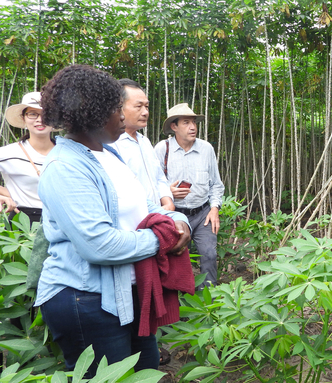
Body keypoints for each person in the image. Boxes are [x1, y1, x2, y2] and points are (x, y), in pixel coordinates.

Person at [34, 64, 192, 377]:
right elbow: (100, 245)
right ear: (91, 114)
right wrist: (164, 239)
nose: (121, 116)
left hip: (127, 294)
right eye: (114, 109)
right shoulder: (65, 167)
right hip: (85, 300)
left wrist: (176, 220)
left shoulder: (110, 155)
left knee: (145, 371)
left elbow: (146, 206)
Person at [154, 103, 224, 289]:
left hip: (202, 214)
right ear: (174, 127)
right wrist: (168, 193)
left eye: (194, 122)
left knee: (208, 254)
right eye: (186, 123)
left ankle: (208, 303)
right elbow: (151, 185)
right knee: (175, 258)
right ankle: (179, 306)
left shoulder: (206, 149)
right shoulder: (162, 149)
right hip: (174, 214)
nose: (193, 127)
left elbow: (216, 184)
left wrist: (215, 208)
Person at [111, 79, 174, 211]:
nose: (145, 112)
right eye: (138, 106)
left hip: (158, 215)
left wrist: (167, 202)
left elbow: (159, 177)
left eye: (146, 106)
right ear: (118, 108)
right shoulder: (111, 145)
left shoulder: (145, 141)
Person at [0, 91, 56, 224]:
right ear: (23, 118)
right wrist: (5, 195)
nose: (39, 119)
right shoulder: (8, 153)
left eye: (46, 114)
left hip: (62, 222)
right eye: (32, 114)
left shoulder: (68, 153)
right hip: (23, 224)